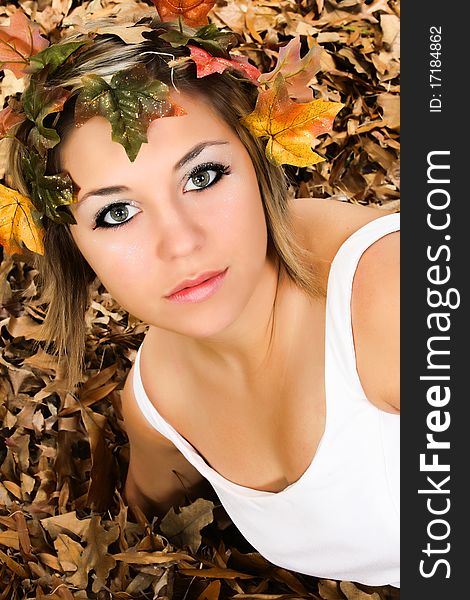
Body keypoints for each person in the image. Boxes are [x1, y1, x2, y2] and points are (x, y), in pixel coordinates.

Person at [1, 6, 399, 589]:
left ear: (258, 163)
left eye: (203, 176)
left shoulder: (394, 301)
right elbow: (137, 525)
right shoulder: (158, 408)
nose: (181, 243)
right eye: (116, 213)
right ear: (74, 249)